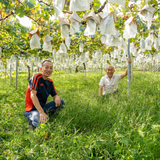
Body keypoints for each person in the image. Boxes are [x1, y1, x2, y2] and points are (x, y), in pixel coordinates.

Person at [23, 59, 65, 129]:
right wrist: (41, 112)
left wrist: (57, 97)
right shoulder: (36, 77)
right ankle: (31, 121)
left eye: (51, 68)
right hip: (32, 109)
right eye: (46, 67)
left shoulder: (50, 82)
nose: (49, 69)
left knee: (61, 102)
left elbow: (55, 95)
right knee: (46, 126)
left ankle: (46, 117)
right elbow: (33, 95)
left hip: (43, 108)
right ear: (41, 68)